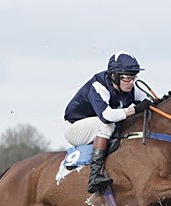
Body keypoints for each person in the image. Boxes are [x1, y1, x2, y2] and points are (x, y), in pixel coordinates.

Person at [64, 51, 152, 194]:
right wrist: (134, 110)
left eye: (133, 77)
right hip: (75, 128)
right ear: (114, 76)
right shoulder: (99, 86)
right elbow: (106, 116)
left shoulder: (128, 87)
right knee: (108, 124)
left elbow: (149, 100)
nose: (131, 83)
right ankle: (94, 176)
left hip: (95, 127)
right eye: (127, 78)